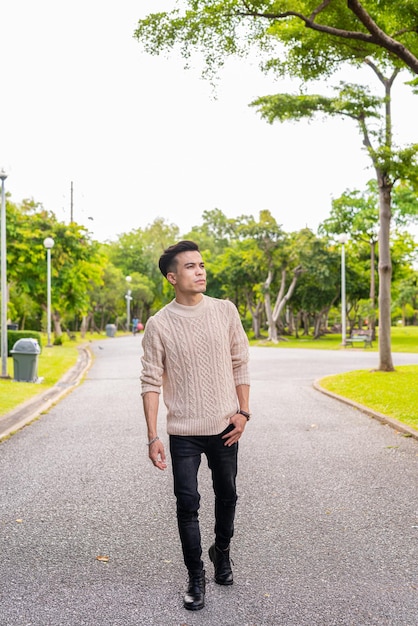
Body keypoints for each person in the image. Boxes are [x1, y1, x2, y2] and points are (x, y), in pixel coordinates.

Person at [140, 240, 250, 611]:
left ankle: (221, 551)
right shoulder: (159, 324)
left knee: (228, 495)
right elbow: (151, 381)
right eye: (190, 267)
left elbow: (241, 363)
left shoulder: (225, 311)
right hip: (183, 432)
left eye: (201, 265)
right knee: (187, 503)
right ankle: (195, 576)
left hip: (226, 427)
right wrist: (153, 435)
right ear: (172, 277)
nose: (200, 271)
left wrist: (243, 412)